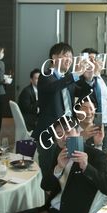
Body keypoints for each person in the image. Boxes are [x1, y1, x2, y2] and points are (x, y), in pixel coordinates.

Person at [33, 43, 83, 177]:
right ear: (54, 57)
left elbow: (82, 91)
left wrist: (89, 77)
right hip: (49, 132)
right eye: (65, 55)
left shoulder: (68, 78)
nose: (69, 59)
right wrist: (75, 75)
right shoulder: (45, 75)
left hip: (69, 131)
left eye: (71, 57)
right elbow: (54, 87)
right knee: (48, 169)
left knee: (70, 166)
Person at [76, 48, 107, 172]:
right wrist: (89, 77)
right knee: (97, 158)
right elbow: (82, 97)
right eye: (89, 60)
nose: (92, 62)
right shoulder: (81, 82)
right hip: (93, 125)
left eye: (95, 59)